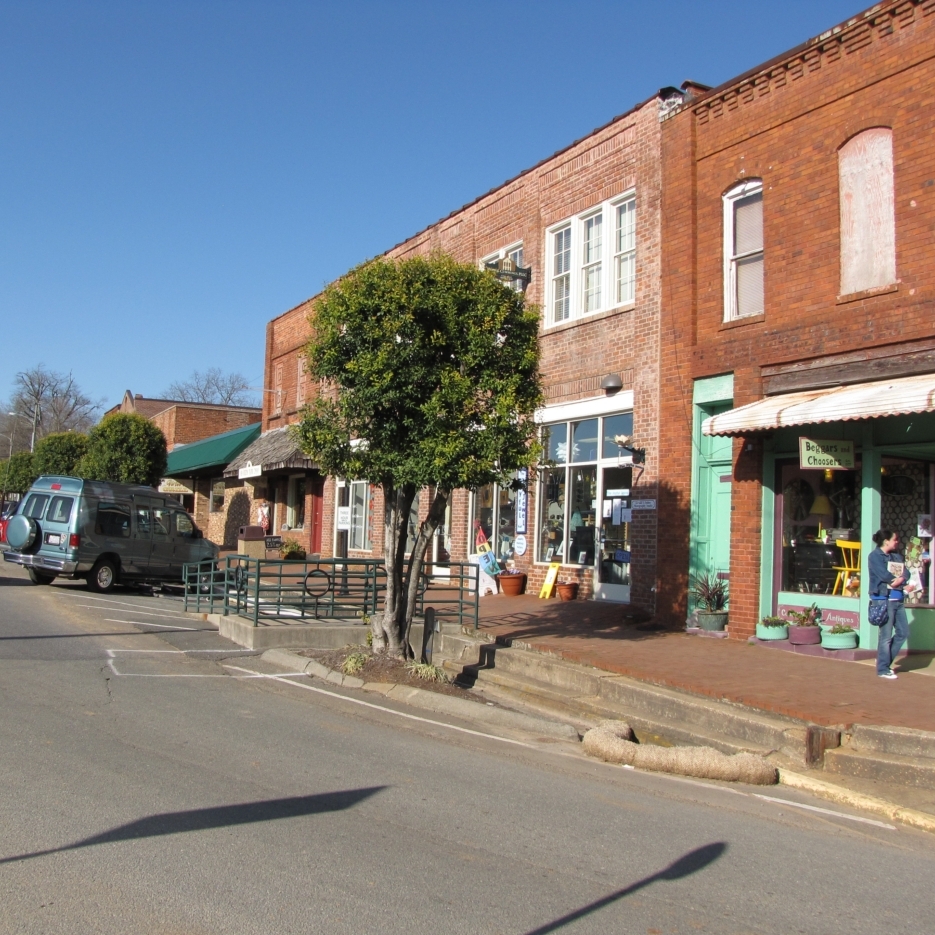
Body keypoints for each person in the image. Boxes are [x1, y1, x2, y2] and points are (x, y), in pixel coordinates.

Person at [868, 528, 909, 679]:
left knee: (903, 632)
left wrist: (902, 579)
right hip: (883, 599)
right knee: (885, 635)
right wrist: (894, 579)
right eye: (895, 539)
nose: (897, 542)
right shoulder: (874, 556)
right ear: (886, 541)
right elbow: (883, 574)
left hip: (897, 598)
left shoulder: (896, 557)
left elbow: (906, 572)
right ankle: (883, 669)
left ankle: (883, 661)